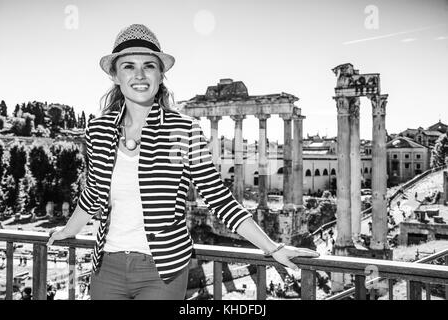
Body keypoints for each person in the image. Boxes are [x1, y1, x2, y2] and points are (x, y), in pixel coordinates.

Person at [47, 24, 319, 300]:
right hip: (107, 267)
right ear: (116, 76)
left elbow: (218, 197)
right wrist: (68, 230)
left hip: (162, 271)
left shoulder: (184, 131)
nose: (139, 75)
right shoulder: (99, 130)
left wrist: (272, 248)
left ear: (161, 75)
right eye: (128, 66)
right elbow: (94, 193)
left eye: (149, 66)